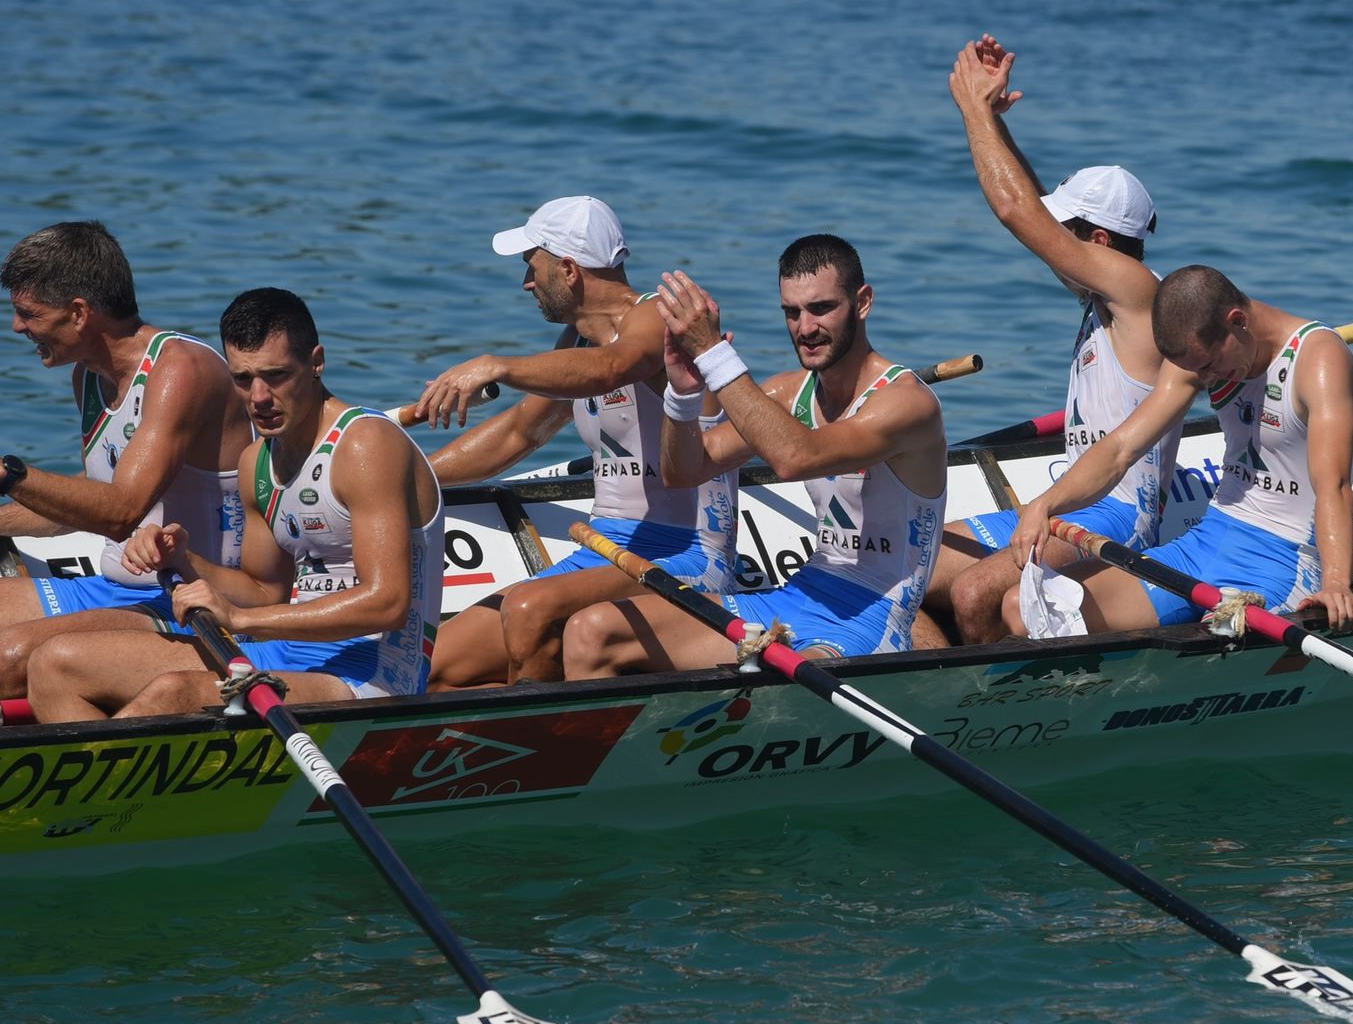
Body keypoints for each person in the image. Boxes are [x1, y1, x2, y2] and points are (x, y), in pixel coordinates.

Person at [25, 289, 443, 721]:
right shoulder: (256, 461)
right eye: (243, 379)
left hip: (375, 674)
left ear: (316, 362)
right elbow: (265, 591)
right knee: (55, 665)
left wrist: (239, 620)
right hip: (285, 649)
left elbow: (387, 605)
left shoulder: (366, 445)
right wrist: (186, 560)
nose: (258, 397)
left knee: (176, 693)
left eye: (276, 376)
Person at [563, 235, 946, 676]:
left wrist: (713, 354)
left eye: (821, 308)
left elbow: (795, 457)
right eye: (792, 312)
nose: (805, 328)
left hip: (871, 620)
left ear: (862, 302)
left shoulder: (906, 403)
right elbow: (685, 472)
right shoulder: (786, 391)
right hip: (797, 597)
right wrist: (685, 397)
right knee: (592, 631)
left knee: (776, 682)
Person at [915, 38, 1176, 647]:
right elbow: (1030, 208)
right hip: (1073, 497)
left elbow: (1016, 212)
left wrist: (972, 111)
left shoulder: (1138, 292)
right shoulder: (1103, 288)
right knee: (913, 559)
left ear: (1103, 243)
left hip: (1120, 516)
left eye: (1071, 234)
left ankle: (992, 707)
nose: (1056, 243)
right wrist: (999, 131)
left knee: (974, 592)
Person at [416, 197, 737, 687]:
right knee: (437, 667)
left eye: (532, 266)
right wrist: (410, 476)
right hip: (606, 546)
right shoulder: (578, 343)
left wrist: (496, 364)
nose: (526, 282)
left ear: (568, 269)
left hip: (689, 554)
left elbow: (613, 369)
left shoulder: (657, 319)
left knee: (526, 609)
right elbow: (521, 431)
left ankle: (540, 743)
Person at [1003, 265, 1353, 637]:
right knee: (1024, 608)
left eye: (1208, 366)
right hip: (1207, 542)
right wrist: (1044, 505)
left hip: (1283, 561)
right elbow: (1121, 449)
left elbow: (1334, 488)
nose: (1205, 380)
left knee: (1220, 634)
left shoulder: (1320, 360)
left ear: (1237, 321)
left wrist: (1336, 584)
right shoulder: (1198, 356)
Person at [0, 222, 249, 698]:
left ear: (78, 313)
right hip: (112, 585)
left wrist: (10, 475)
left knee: (8, 659)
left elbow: (119, 511)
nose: (17, 327)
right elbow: (87, 501)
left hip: (186, 597)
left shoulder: (180, 369)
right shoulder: (87, 378)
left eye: (28, 313)